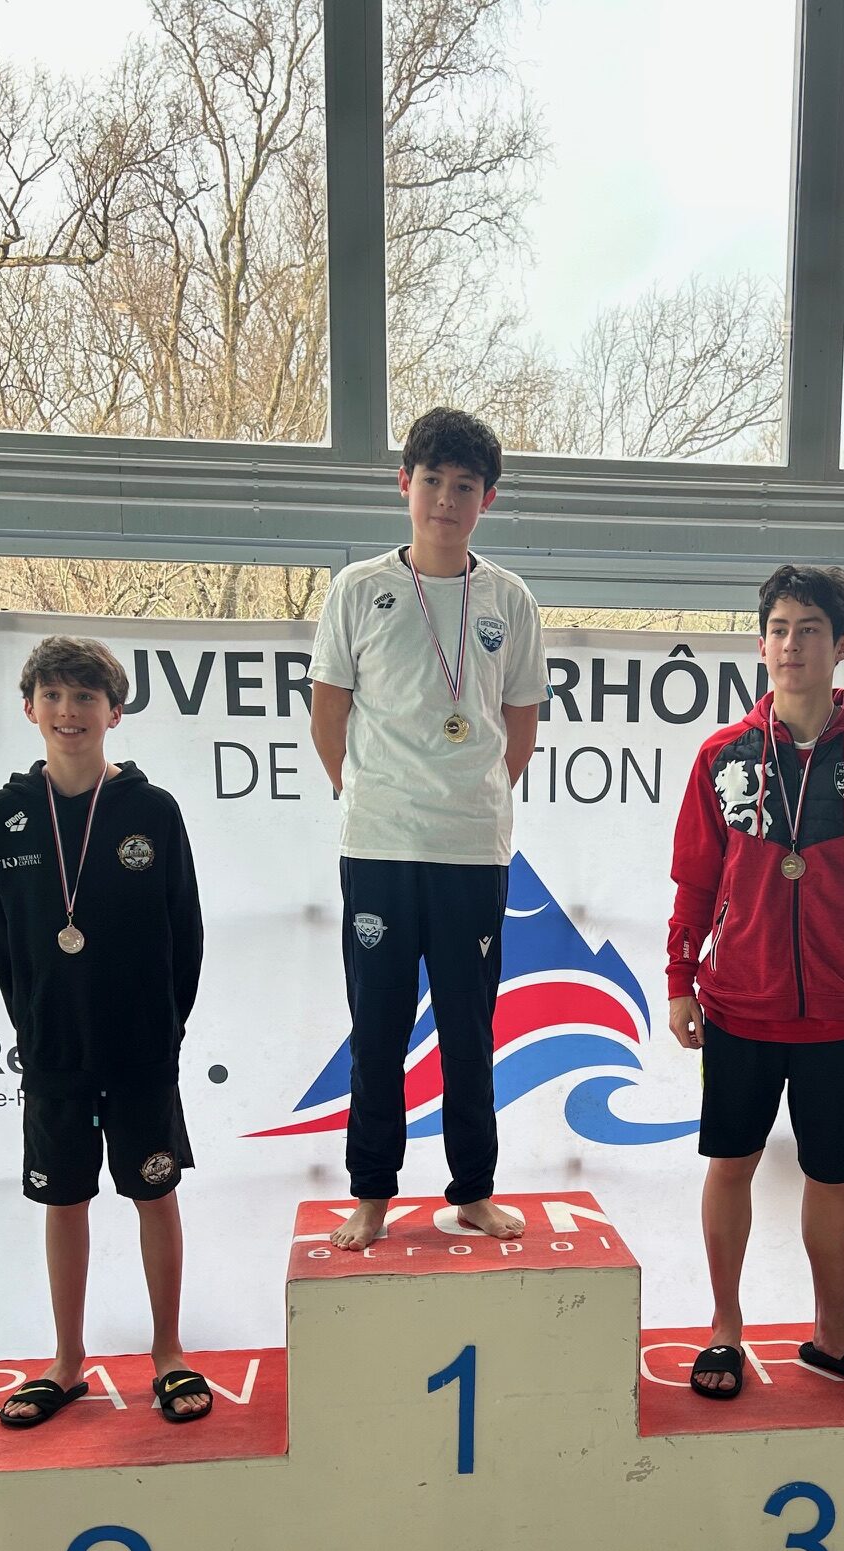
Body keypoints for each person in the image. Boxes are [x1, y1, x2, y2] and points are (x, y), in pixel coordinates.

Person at [667, 562, 844, 1399]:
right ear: (760, 644)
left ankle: (830, 1330)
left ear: (842, 645)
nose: (791, 644)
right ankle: (724, 1328)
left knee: (832, 1175)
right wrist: (679, 980)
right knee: (730, 1166)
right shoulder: (722, 755)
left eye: (809, 629)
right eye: (778, 629)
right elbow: (695, 881)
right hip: (738, 1007)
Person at [309, 407, 545, 1250]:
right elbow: (329, 714)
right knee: (376, 1031)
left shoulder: (510, 599)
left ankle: (473, 1190)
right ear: (404, 484)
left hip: (470, 854)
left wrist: (472, 798)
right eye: (433, 481)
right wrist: (369, 796)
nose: (447, 499)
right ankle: (372, 1193)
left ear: (488, 498)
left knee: (468, 1035)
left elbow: (520, 724)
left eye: (465, 486)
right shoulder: (358, 589)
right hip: (378, 847)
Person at [0, 636, 210, 1428]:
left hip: (140, 1045)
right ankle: (67, 1362)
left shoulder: (152, 810)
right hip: (55, 1050)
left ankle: (168, 1352)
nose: (68, 711)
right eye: (53, 695)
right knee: (64, 1199)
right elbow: (3, 942)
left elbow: (186, 933)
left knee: (155, 1193)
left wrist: (164, 1028)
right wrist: (36, 1022)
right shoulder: (2, 817)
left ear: (114, 712)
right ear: (29, 708)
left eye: (85, 697)